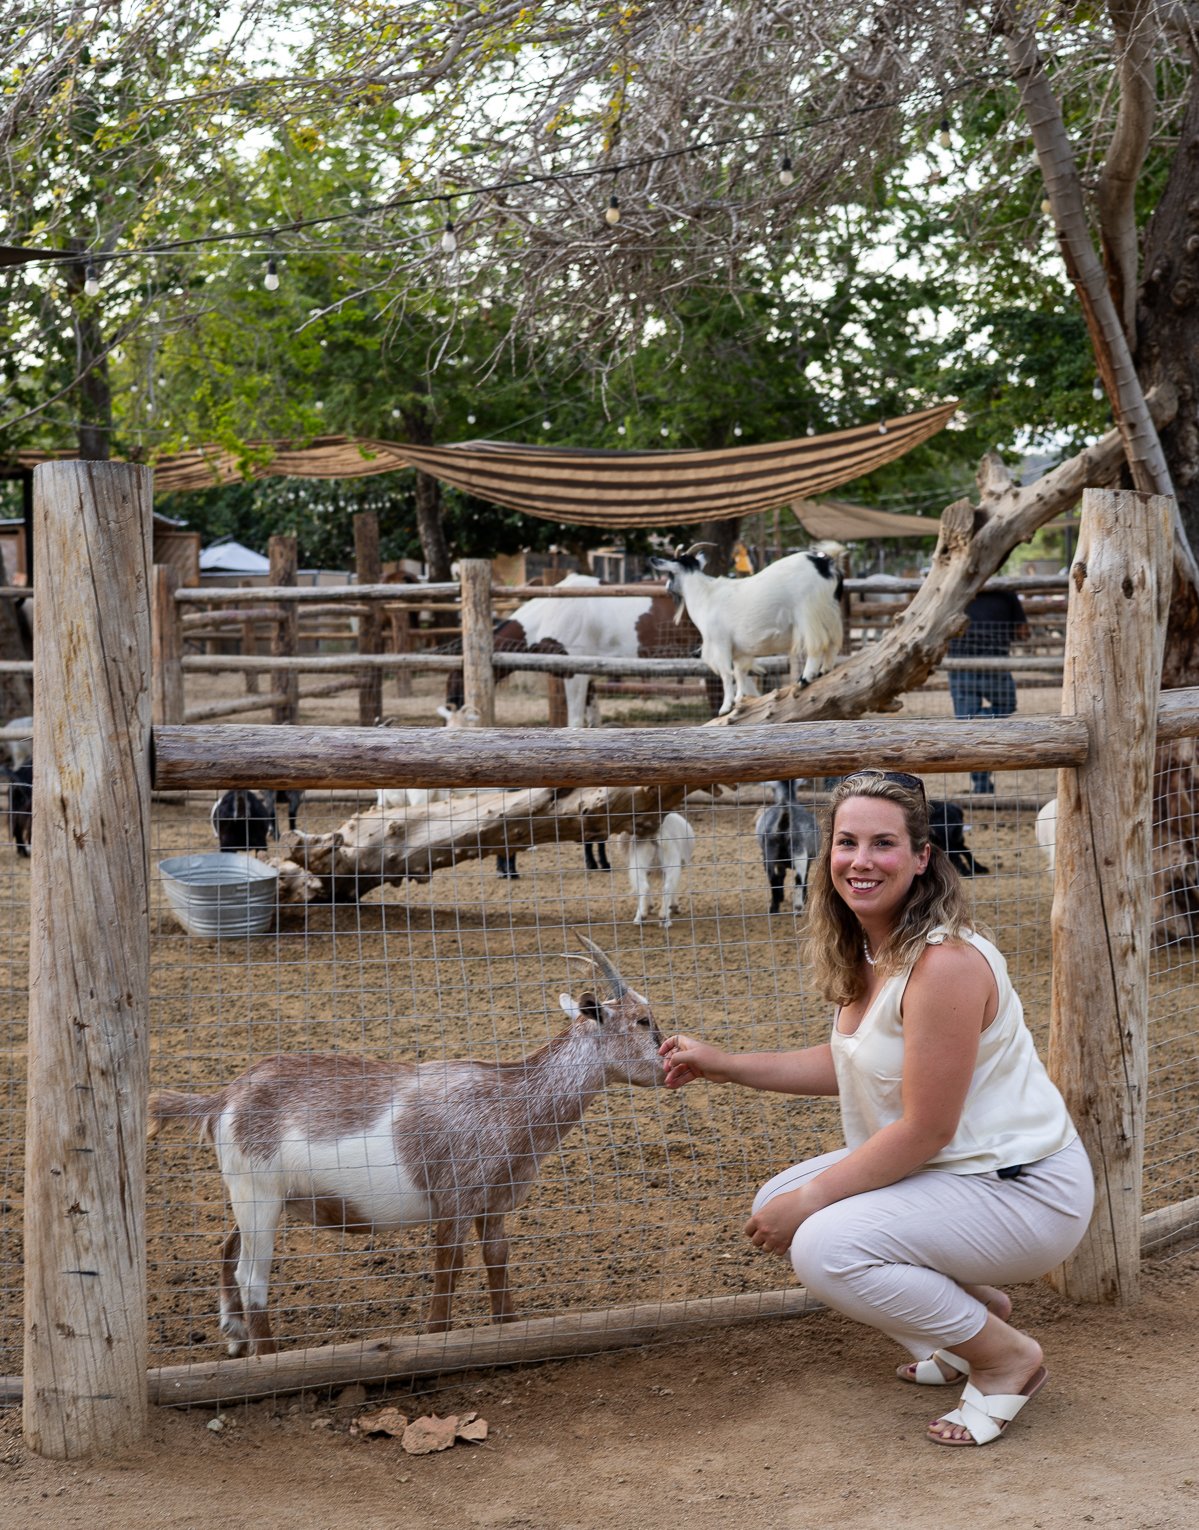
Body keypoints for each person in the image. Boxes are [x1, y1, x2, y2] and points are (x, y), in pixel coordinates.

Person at [660, 769, 1094, 1448]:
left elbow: (925, 1128)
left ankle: (1005, 1358)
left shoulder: (943, 964)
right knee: (779, 1195)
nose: (859, 862)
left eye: (883, 844)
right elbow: (856, 1059)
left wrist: (810, 1201)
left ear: (922, 857)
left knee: (824, 1242)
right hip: (962, 1171)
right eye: (846, 842)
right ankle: (971, 1318)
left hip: (1026, 1190)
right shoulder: (870, 945)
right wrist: (723, 1064)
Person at [948, 589, 1031, 793]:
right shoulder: (1006, 593)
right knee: (1006, 705)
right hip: (994, 664)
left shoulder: (956, 591)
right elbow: (1023, 632)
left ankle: (981, 786)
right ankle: (982, 720)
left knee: (969, 729)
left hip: (960, 664)